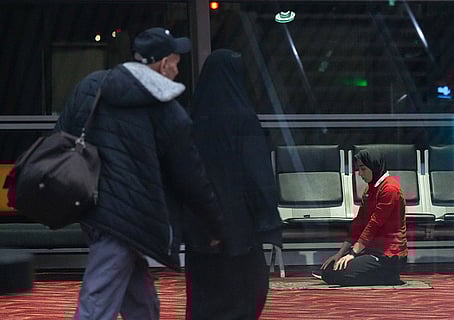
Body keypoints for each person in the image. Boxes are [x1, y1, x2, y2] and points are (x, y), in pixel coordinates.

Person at [55, 27, 224, 320]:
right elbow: (190, 175)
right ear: (162, 64)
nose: (177, 68)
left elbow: (61, 137)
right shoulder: (166, 109)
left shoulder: (93, 86)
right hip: (129, 216)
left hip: (90, 205)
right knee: (98, 301)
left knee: (140, 299)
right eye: (175, 61)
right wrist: (215, 224)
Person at [184, 49, 283, 320]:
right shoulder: (242, 118)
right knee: (246, 292)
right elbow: (256, 174)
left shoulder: (191, 118)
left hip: (201, 227)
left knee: (206, 296)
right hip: (239, 228)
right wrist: (268, 221)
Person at [312, 148, 408, 286]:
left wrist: (353, 253)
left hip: (388, 255)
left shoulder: (390, 188)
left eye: (363, 169)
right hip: (371, 250)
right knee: (329, 270)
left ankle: (388, 276)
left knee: (340, 274)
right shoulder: (370, 188)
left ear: (374, 166)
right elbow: (359, 222)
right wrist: (340, 253)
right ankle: (376, 274)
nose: (360, 174)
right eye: (358, 169)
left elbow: (374, 224)